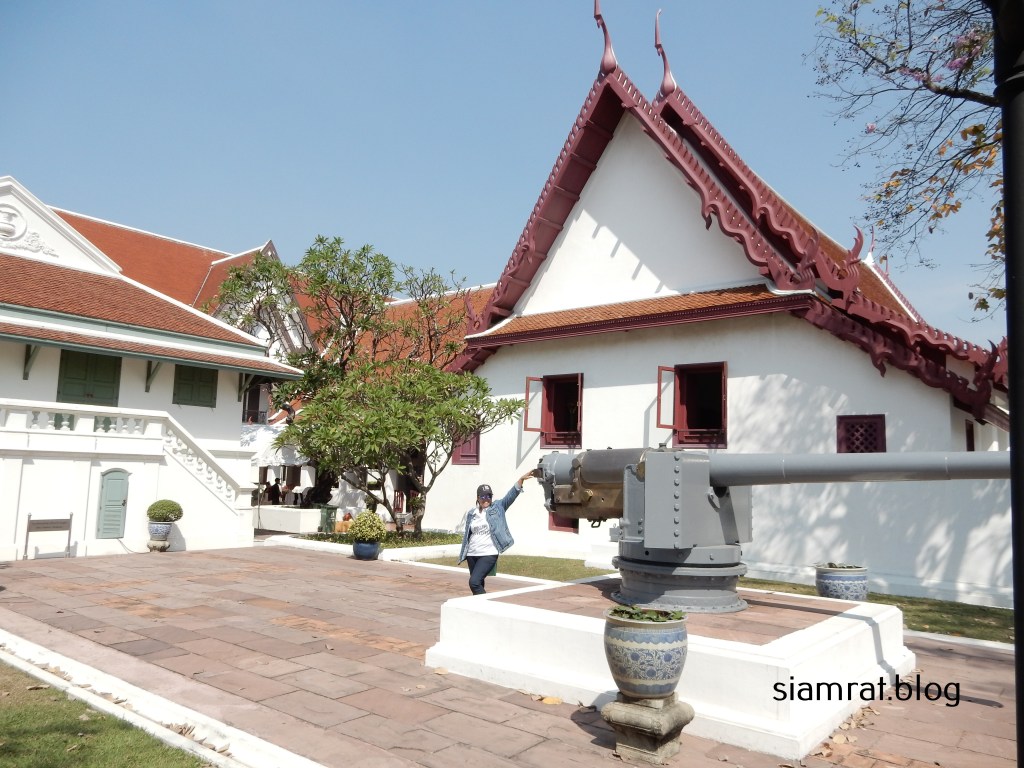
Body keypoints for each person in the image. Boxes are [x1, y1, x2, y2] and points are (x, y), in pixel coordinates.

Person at [458, 470, 536, 595]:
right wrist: (465, 553)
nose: (486, 499)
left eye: (489, 496)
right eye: (483, 496)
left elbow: (510, 497)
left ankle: (487, 604)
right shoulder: (472, 513)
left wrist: (521, 480)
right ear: (478, 498)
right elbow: (468, 535)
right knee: (479, 583)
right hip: (472, 554)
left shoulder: (498, 507)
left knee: (474, 582)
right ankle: (479, 606)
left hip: (488, 553)